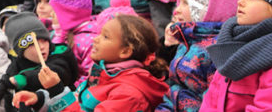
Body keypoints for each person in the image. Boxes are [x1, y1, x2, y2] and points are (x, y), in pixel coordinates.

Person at [14, 15, 169, 111]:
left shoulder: (128, 93)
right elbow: (79, 103)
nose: (96, 38)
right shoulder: (104, 75)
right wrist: (41, 100)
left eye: (106, 36)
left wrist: (57, 90)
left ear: (125, 51)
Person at [158, 0, 240, 112]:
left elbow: (216, 102)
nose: (176, 11)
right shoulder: (188, 40)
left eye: (185, 3)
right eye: (178, 2)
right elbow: (173, 90)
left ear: (210, 7)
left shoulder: (218, 50)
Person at [0, 12, 80, 112]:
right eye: (33, 44)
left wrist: (21, 79)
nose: (41, 47)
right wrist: (1, 87)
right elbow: (6, 81)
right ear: (20, 51)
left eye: (44, 40)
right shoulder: (17, 64)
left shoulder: (59, 54)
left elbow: (59, 72)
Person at [49, 0, 97, 83]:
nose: (51, 15)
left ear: (68, 14)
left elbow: (90, 76)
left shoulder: (89, 41)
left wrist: (67, 93)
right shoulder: (61, 35)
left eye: (56, 11)